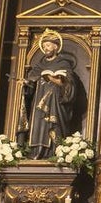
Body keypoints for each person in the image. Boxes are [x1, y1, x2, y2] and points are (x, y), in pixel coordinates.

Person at [20, 28, 84, 158]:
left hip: (56, 104)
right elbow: (32, 82)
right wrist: (27, 84)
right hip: (39, 104)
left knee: (54, 127)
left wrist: (53, 79)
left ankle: (54, 152)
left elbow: (69, 86)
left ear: (56, 46)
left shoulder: (63, 63)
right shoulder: (40, 65)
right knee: (38, 126)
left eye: (48, 45)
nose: (46, 49)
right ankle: (36, 152)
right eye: (44, 46)